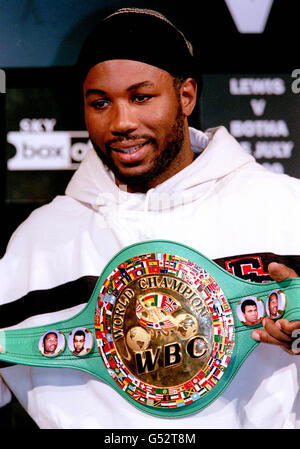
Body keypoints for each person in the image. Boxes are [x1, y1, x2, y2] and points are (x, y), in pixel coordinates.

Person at [1, 7, 300, 429]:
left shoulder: (286, 209)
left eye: (141, 97)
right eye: (100, 102)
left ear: (186, 96)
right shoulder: (39, 242)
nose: (121, 121)